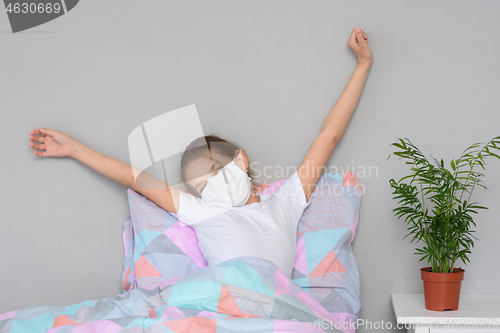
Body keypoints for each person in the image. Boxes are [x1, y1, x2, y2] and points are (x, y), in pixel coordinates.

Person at [28, 27, 373, 278]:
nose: (209, 185)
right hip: (216, 302)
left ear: (240, 160)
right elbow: (133, 176)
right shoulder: (203, 211)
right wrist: (74, 149)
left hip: (274, 306)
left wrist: (362, 66)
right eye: (200, 185)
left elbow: (330, 134)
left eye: (212, 169)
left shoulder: (286, 203)